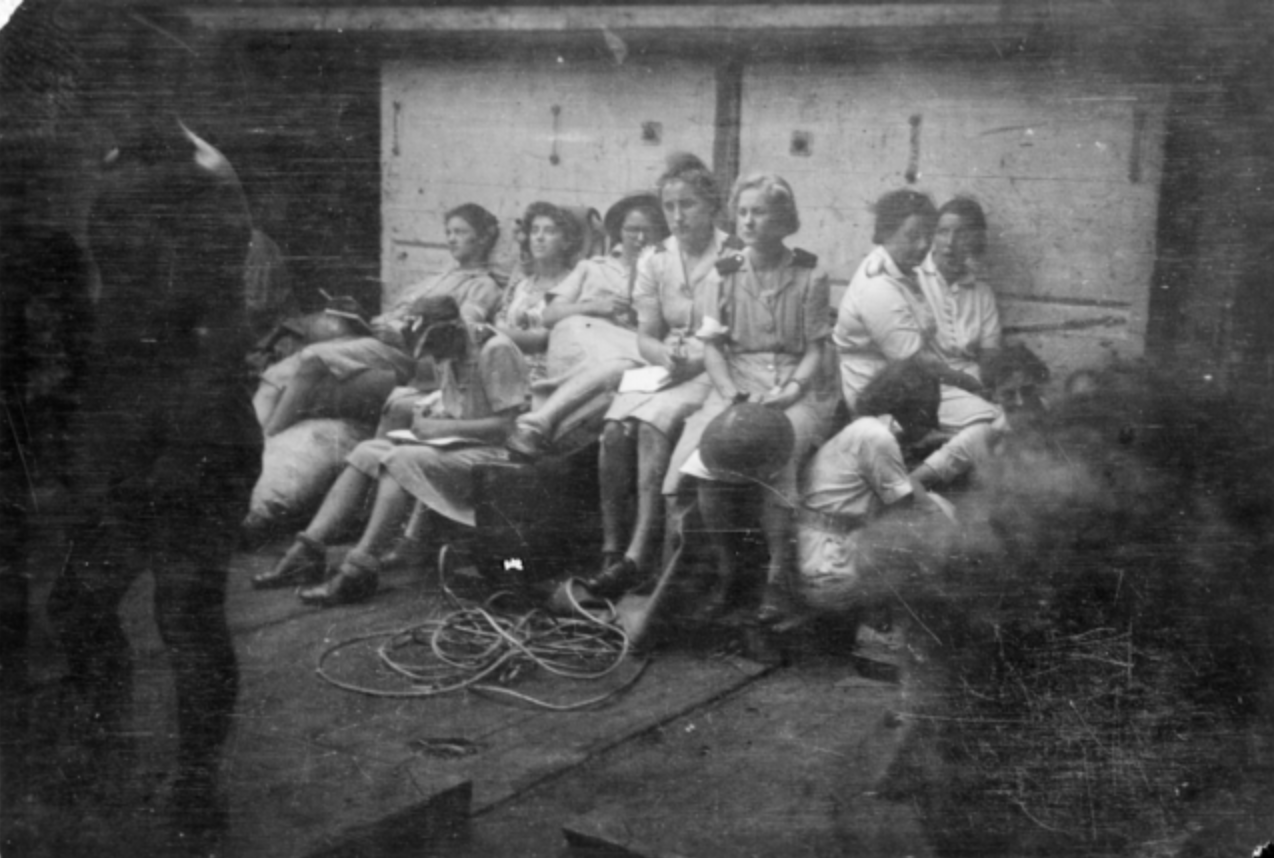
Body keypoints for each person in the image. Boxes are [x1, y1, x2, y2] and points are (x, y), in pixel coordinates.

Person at [252, 295, 529, 604]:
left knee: (398, 459)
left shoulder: (495, 350)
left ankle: (359, 569)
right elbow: (456, 405)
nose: (434, 355)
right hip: (458, 446)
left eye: (434, 345)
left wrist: (442, 429)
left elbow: (506, 426)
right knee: (367, 452)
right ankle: (306, 552)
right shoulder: (450, 349)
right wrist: (433, 417)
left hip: (494, 455)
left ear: (453, 330)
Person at [670, 172, 839, 624]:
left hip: (797, 383)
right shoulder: (722, 274)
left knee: (778, 456)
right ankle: (728, 574)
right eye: (742, 212)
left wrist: (792, 391)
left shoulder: (810, 274)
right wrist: (729, 394)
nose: (747, 221)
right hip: (737, 380)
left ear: (783, 219)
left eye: (759, 212)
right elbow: (712, 347)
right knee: (707, 462)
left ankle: (777, 579)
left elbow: (816, 349)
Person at [584, 153, 739, 598]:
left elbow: (736, 335)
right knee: (613, 430)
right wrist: (664, 354)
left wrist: (692, 359)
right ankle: (611, 549)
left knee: (652, 427)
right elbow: (645, 336)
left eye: (687, 204)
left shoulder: (733, 256)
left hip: (715, 366)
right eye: (669, 206)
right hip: (668, 367)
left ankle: (638, 555)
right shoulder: (655, 258)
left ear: (711, 205)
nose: (677, 216)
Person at [258, 203, 503, 437]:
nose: (451, 239)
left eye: (460, 232)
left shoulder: (482, 285)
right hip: (382, 341)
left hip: (408, 354)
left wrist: (402, 334)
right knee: (281, 370)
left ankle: (269, 435)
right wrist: (366, 318)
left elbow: (458, 334)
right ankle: (252, 437)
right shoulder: (439, 277)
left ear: (482, 238)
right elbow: (400, 311)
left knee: (313, 357)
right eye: (449, 232)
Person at [833, 189, 1000, 490]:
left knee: (996, 422)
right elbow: (917, 362)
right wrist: (973, 386)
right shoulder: (878, 286)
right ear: (887, 232)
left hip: (912, 386)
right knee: (994, 422)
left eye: (927, 235)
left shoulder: (902, 271)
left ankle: (932, 472)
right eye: (912, 236)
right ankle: (917, 483)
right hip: (882, 392)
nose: (924, 245)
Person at [503, 192, 669, 458]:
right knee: (625, 366)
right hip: (580, 338)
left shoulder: (665, 274)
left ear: (660, 235)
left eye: (647, 232)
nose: (639, 238)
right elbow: (550, 315)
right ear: (619, 231)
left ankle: (537, 424)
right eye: (631, 230)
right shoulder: (591, 267)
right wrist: (595, 307)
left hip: (624, 349)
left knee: (626, 369)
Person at [796, 360, 949, 619]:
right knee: (935, 518)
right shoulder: (878, 438)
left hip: (816, 547)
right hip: (829, 564)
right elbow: (904, 509)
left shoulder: (864, 427)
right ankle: (879, 626)